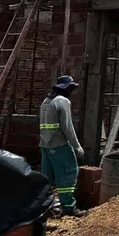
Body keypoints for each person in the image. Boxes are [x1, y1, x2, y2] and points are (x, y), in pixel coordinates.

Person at [39, 75, 87, 217]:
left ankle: (46, 207)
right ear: (66, 88)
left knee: (48, 177)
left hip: (45, 145)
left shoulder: (46, 101)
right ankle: (69, 208)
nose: (72, 91)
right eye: (71, 88)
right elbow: (67, 127)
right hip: (59, 145)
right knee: (68, 174)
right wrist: (77, 146)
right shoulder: (63, 101)